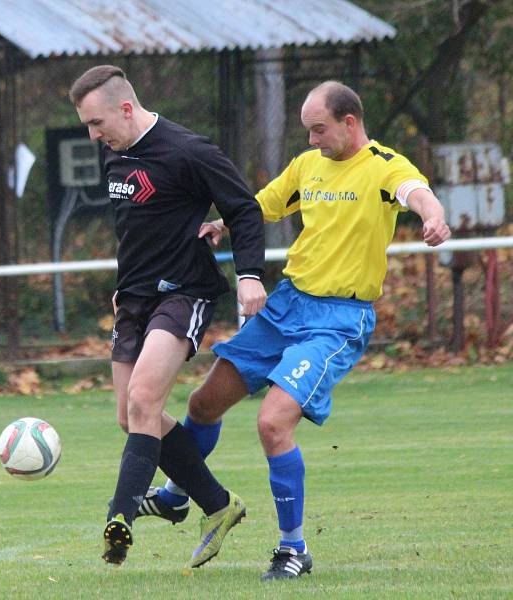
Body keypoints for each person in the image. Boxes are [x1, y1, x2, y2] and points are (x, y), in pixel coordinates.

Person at [142, 80, 452, 579]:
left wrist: (435, 219)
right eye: (307, 130)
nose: (311, 140)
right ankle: (180, 495)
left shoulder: (383, 166)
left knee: (272, 422)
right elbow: (262, 203)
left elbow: (419, 194)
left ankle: (293, 549)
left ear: (349, 122)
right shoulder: (308, 166)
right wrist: (221, 223)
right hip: (288, 305)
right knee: (203, 403)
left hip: (337, 321)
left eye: (319, 129)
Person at [69, 65, 267, 566]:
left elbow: (244, 209)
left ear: (126, 108)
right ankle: (219, 505)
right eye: (87, 126)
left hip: (183, 292)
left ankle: (121, 515)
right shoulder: (115, 158)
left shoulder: (188, 150)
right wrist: (122, 287)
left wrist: (249, 274)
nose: (93, 136)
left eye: (96, 123)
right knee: (132, 417)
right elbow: (134, 230)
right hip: (133, 299)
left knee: (143, 397)